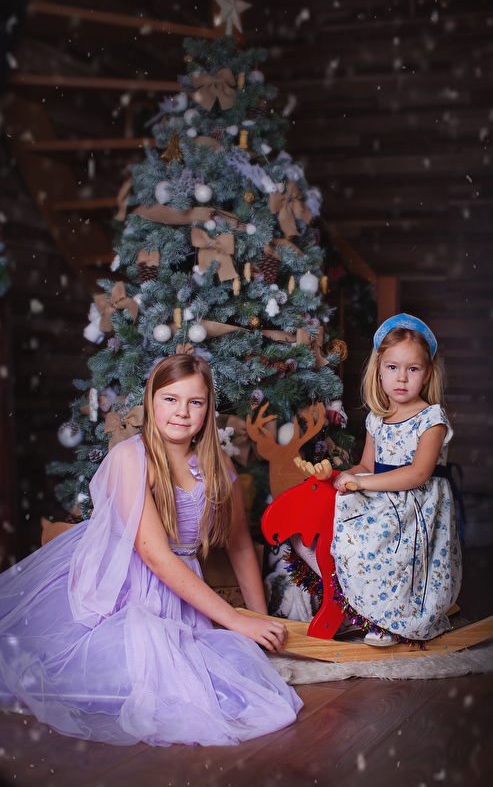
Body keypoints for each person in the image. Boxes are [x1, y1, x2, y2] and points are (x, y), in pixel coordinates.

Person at [0, 354, 302, 747]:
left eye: (195, 402)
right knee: (151, 684)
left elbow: (240, 544)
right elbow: (156, 557)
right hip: (128, 588)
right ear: (151, 401)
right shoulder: (131, 457)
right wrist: (236, 621)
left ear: (208, 407)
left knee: (238, 680)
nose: (182, 412)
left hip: (183, 590)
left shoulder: (218, 464)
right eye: (170, 399)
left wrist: (258, 623)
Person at [331, 314, 462, 646]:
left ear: (427, 374)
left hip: (417, 507)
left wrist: (364, 483)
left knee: (403, 559)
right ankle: (368, 608)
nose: (401, 377)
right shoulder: (377, 419)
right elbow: (367, 464)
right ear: (379, 370)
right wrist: (349, 476)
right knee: (357, 535)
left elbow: (418, 473)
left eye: (412, 369)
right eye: (392, 367)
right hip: (386, 499)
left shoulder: (431, 419)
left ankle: (401, 618)